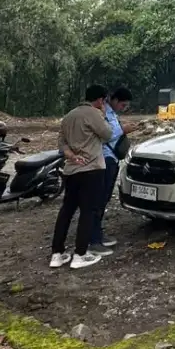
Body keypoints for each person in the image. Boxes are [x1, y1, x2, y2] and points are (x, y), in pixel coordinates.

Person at [50, 84, 114, 269]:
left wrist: (71, 155)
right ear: (100, 100)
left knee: (66, 211)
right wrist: (102, 114)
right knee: (88, 211)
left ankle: (57, 253)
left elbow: (61, 143)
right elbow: (108, 134)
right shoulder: (93, 113)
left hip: (71, 170)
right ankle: (80, 254)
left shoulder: (69, 116)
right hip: (92, 169)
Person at [89, 87, 138, 256]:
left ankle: (98, 235)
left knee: (104, 200)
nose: (123, 108)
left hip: (112, 159)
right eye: (123, 105)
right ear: (114, 100)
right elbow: (105, 135)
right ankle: (93, 240)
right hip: (103, 159)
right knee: (98, 201)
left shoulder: (112, 114)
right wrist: (123, 130)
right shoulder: (100, 113)